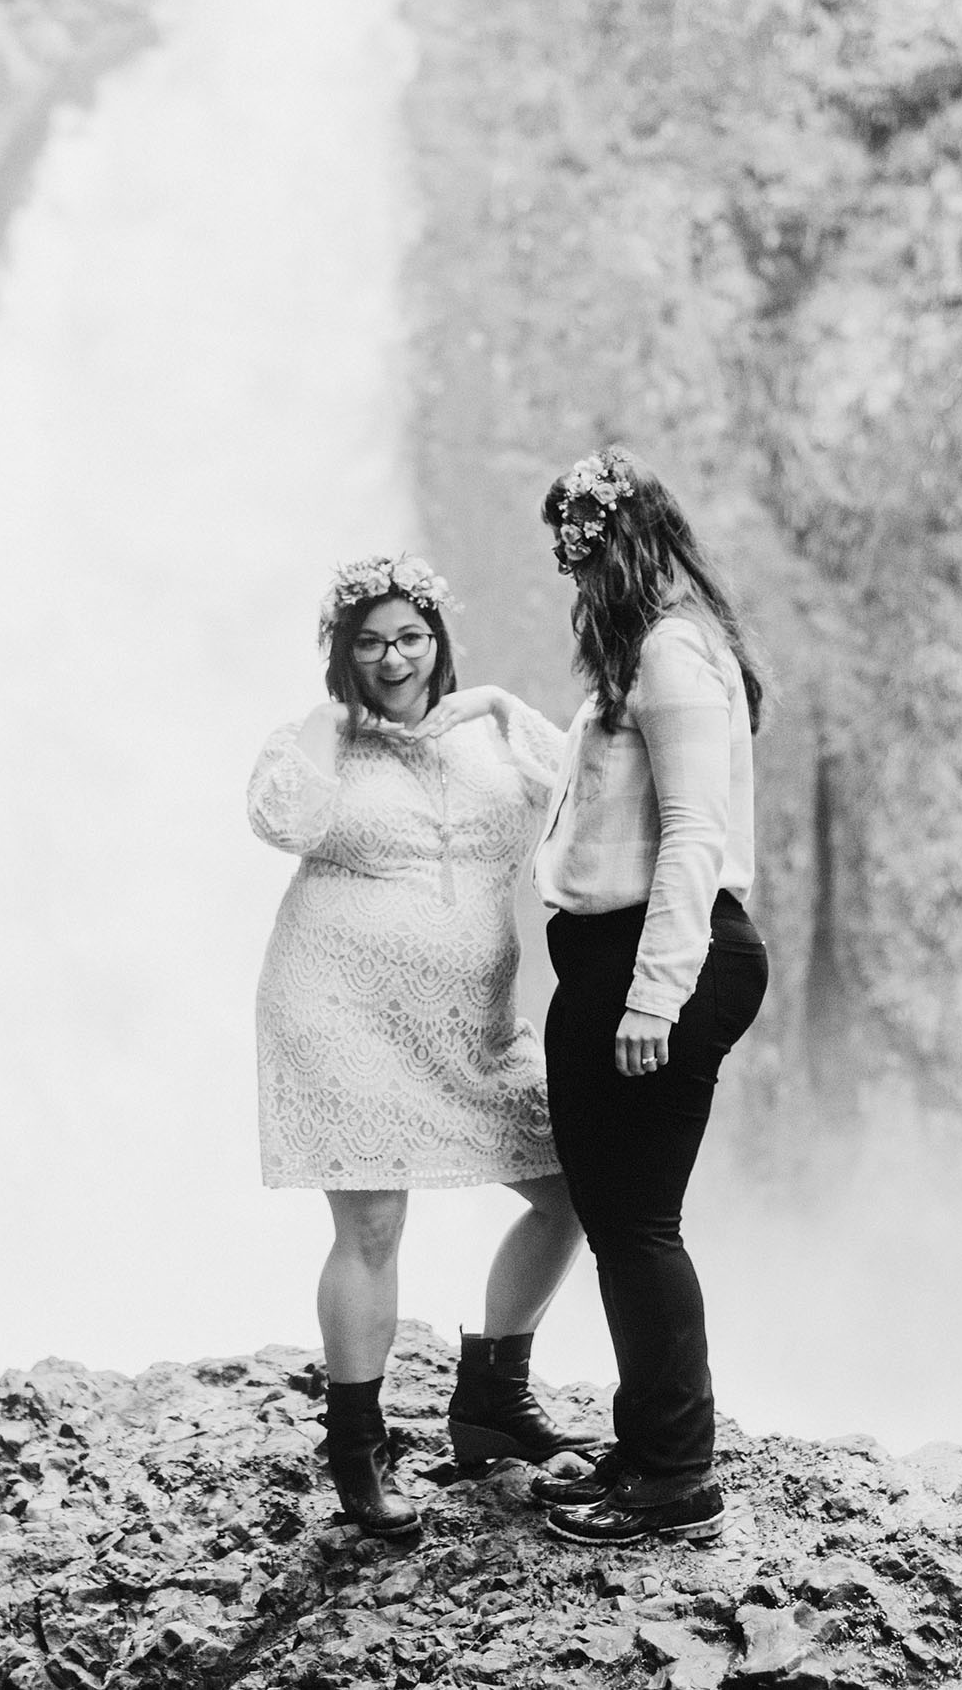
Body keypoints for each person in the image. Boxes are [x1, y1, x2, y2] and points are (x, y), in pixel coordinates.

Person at [247, 554, 592, 1538]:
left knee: (574, 1185)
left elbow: (591, 794)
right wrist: (328, 720)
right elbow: (280, 820)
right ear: (341, 653)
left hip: (472, 1025)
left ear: (439, 638)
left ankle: (489, 1399)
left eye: (410, 635)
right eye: (367, 640)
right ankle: (357, 1453)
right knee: (372, 1226)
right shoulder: (316, 742)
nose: (391, 657)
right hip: (338, 1009)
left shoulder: (497, 725)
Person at [528, 448, 769, 1548]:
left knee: (636, 1225)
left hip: (658, 957)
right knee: (620, 1219)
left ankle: (674, 1476)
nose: (572, 581)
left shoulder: (671, 654)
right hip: (613, 952)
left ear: (615, 551)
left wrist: (650, 1000)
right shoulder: (644, 656)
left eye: (579, 557)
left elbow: (693, 838)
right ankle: (649, 1445)